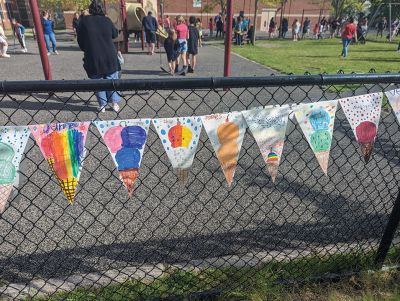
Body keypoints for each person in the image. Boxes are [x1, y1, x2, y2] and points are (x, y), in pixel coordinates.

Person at [77, 0, 121, 112]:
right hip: (109, 55)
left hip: (93, 56)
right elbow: (115, 34)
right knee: (112, 80)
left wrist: (86, 48)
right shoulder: (106, 20)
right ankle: (115, 103)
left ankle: (102, 104)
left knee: (97, 81)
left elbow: (81, 41)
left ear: (90, 9)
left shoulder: (84, 22)